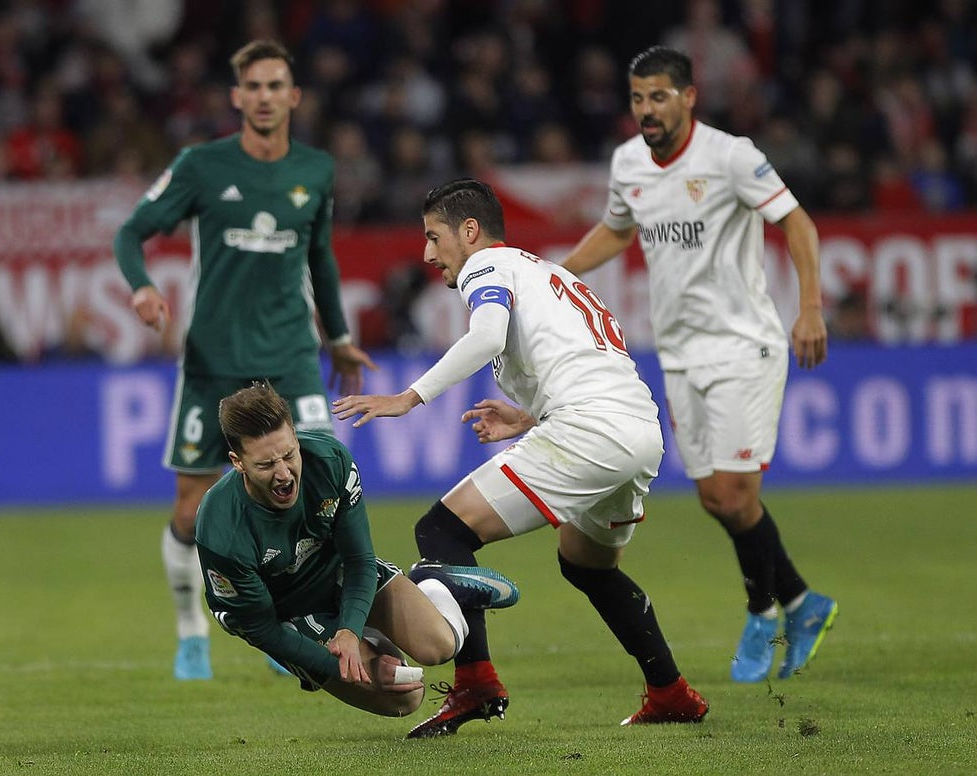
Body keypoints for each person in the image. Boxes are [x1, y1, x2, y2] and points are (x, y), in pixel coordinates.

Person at [333, 179, 709, 736]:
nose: (428, 254)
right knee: (587, 565)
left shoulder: (486, 266)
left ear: (469, 231)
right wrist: (533, 417)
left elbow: (487, 338)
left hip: (589, 431)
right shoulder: (548, 273)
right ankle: (671, 692)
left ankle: (476, 683)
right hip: (637, 430)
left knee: (442, 530)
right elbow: (588, 364)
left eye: (434, 237)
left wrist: (408, 397)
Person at [560, 46, 838, 684]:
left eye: (659, 96)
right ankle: (803, 602)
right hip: (680, 353)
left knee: (736, 494)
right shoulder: (629, 163)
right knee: (715, 499)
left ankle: (763, 611)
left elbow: (798, 224)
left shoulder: (731, 156)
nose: (647, 109)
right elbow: (619, 229)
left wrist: (810, 308)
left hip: (743, 346)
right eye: (638, 98)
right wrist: (558, 273)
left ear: (688, 97)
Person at [113, 39, 377, 681]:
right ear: (237, 97)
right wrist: (142, 287)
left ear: (294, 96)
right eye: (253, 86)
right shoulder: (202, 165)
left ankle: (299, 622)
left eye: (275, 85)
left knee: (313, 484)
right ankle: (190, 633)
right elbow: (130, 232)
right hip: (215, 362)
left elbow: (321, 259)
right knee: (189, 509)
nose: (264, 97)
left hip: (291, 357)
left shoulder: (315, 170)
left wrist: (339, 337)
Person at [196, 382, 520, 718]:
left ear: (295, 435)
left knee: (440, 646)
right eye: (265, 465)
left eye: (289, 455)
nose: (283, 474)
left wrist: (349, 630)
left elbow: (358, 559)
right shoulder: (221, 530)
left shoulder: (330, 462)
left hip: (341, 577)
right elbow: (262, 629)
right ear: (238, 462)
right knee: (406, 699)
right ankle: (372, 646)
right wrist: (338, 666)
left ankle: (432, 582)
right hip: (289, 615)